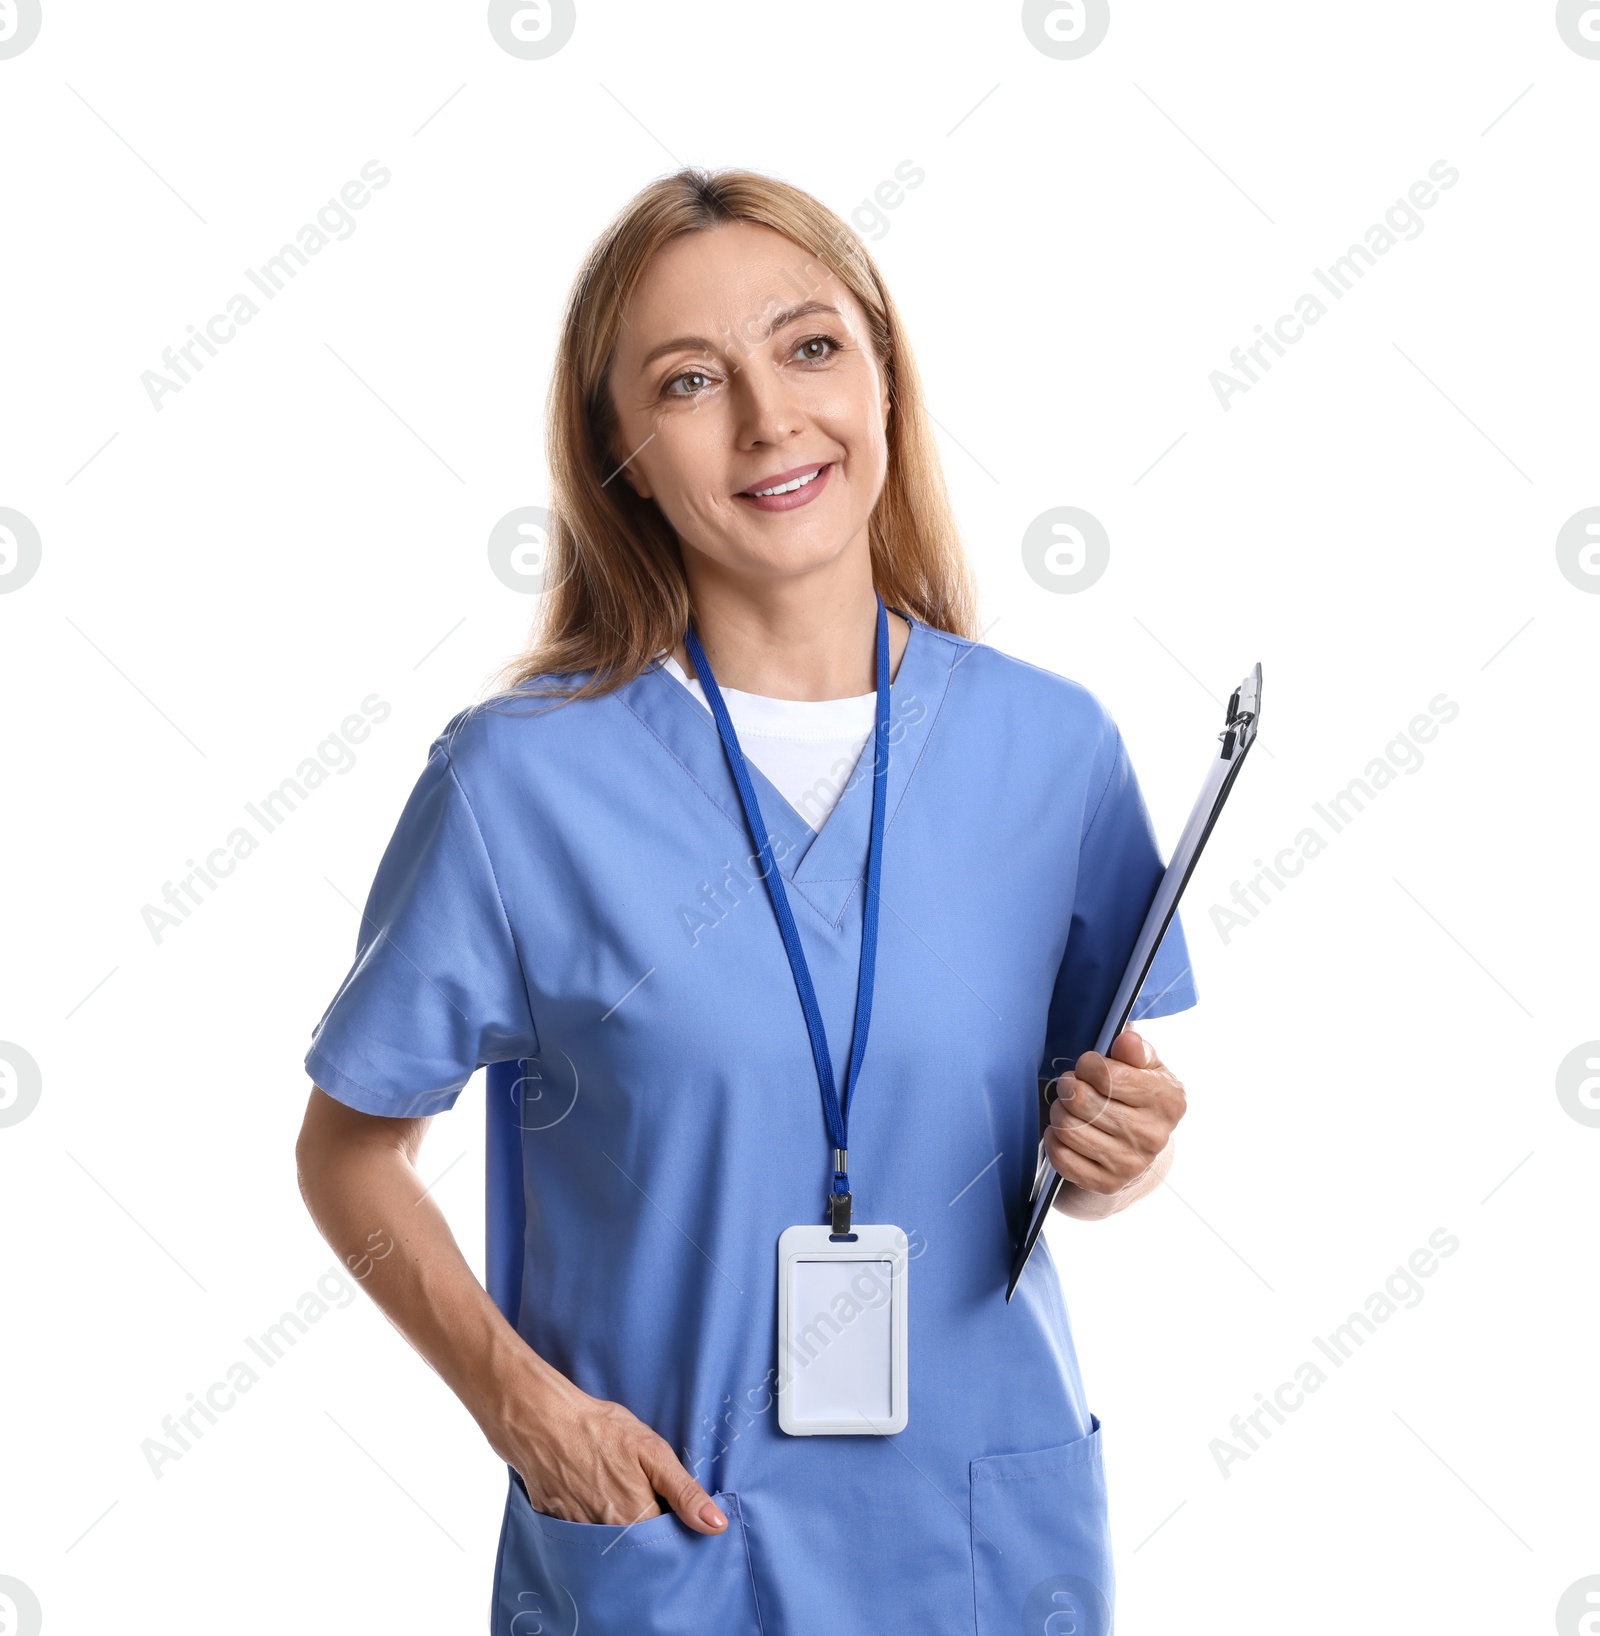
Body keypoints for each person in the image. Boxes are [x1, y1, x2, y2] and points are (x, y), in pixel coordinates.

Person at [295, 166, 1196, 1636]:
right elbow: (349, 1154)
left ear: (886, 380)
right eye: (692, 380)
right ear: (623, 455)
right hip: (671, 1543)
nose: (773, 418)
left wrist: (1123, 1152)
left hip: (979, 1540)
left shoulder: (1054, 753)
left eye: (811, 346)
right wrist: (520, 1408)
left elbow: (1079, 1146)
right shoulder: (520, 787)